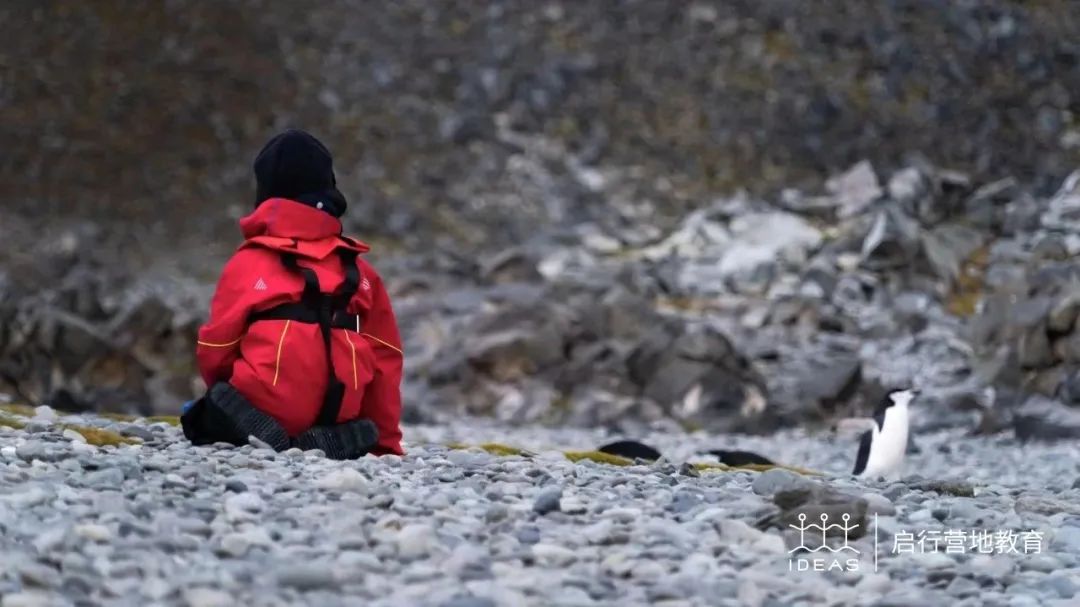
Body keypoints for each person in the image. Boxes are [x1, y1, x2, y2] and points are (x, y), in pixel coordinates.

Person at [181, 129, 404, 458]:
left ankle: (264, 432)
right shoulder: (362, 274)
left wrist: (225, 395)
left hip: (259, 415)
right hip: (336, 420)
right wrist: (386, 447)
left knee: (199, 414)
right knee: (359, 406)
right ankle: (333, 438)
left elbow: (216, 349)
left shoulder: (249, 263)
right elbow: (385, 362)